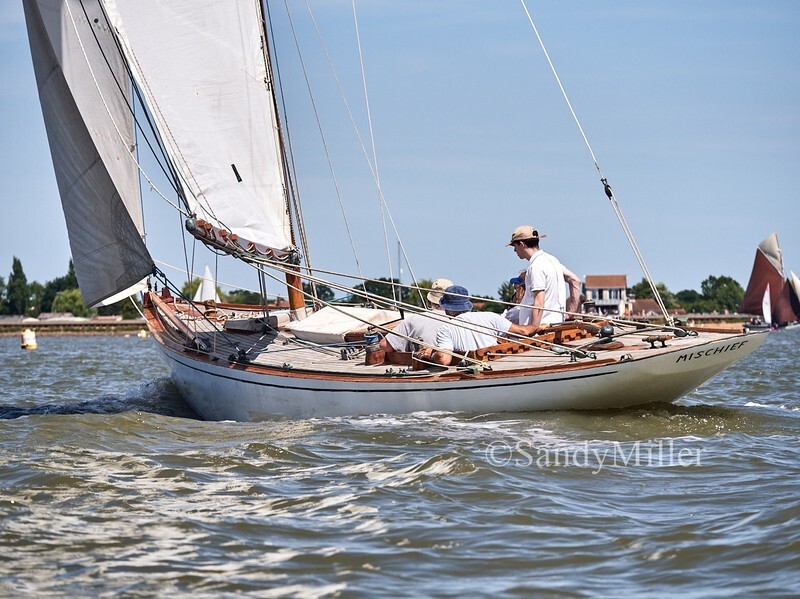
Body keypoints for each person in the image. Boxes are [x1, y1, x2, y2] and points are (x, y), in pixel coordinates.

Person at [416, 285, 542, 366]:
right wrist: (539, 327)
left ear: (446, 308)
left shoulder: (446, 329)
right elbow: (524, 331)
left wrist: (430, 356)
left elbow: (444, 359)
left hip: (475, 372)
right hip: (496, 365)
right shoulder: (490, 316)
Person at [507, 225, 581, 328]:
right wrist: (571, 313)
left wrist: (533, 328)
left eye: (514, 246)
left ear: (522, 244)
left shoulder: (536, 266)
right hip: (557, 325)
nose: (514, 250)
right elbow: (575, 280)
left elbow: (539, 302)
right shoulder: (553, 260)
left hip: (542, 331)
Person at [380, 278, 453, 353]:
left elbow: (384, 345)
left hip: (418, 363)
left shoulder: (413, 319)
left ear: (429, 300)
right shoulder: (460, 321)